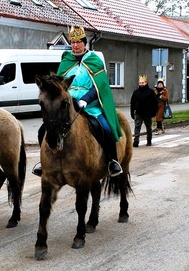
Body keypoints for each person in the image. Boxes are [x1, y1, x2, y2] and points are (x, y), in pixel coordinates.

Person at [33, 25, 123, 177]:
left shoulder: (94, 60)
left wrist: (85, 100)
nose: (75, 45)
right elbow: (58, 85)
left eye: (78, 42)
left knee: (106, 129)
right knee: (44, 128)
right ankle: (44, 162)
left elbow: (100, 86)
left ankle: (112, 162)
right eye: (72, 42)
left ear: (84, 42)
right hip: (67, 104)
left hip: (90, 105)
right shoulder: (66, 60)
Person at [130, 75, 158, 147]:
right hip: (138, 112)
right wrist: (132, 112)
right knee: (137, 127)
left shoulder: (151, 92)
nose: (141, 84)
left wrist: (154, 112)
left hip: (148, 113)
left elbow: (155, 103)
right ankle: (136, 141)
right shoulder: (136, 92)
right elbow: (132, 103)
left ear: (146, 83)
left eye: (142, 83)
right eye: (140, 83)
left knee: (148, 127)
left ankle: (149, 140)